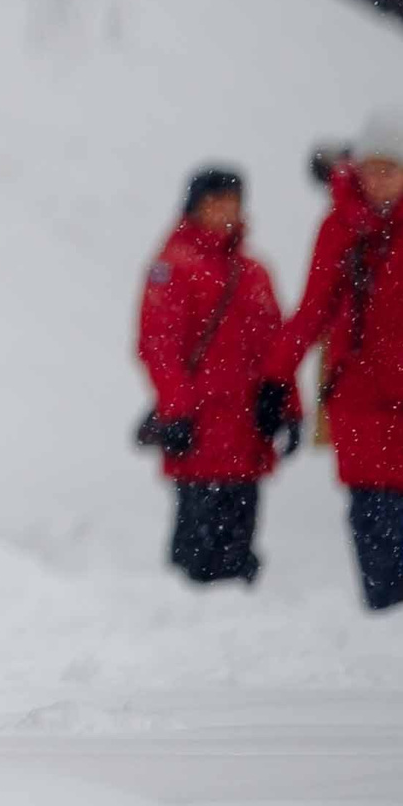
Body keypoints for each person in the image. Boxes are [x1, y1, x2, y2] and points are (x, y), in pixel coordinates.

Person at [272, 111, 403, 611]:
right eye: (371, 168)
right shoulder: (340, 226)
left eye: (390, 168)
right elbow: (311, 311)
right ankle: (385, 624)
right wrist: (275, 378)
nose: (378, 179)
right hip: (359, 403)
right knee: (374, 519)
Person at [135, 166, 288, 586]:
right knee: (198, 547)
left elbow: (277, 346)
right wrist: (178, 412)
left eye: (231, 201)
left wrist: (288, 406)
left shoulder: (255, 272)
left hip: (246, 429)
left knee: (240, 540)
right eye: (213, 201)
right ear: (194, 206)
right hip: (200, 429)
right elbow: (159, 348)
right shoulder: (173, 266)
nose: (223, 210)